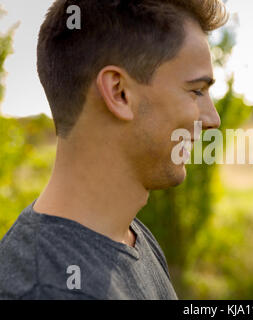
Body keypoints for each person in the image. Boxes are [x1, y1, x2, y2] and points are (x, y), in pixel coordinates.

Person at [0, 0, 227, 299]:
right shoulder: (45, 289)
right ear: (119, 93)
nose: (213, 119)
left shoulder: (131, 236)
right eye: (196, 90)